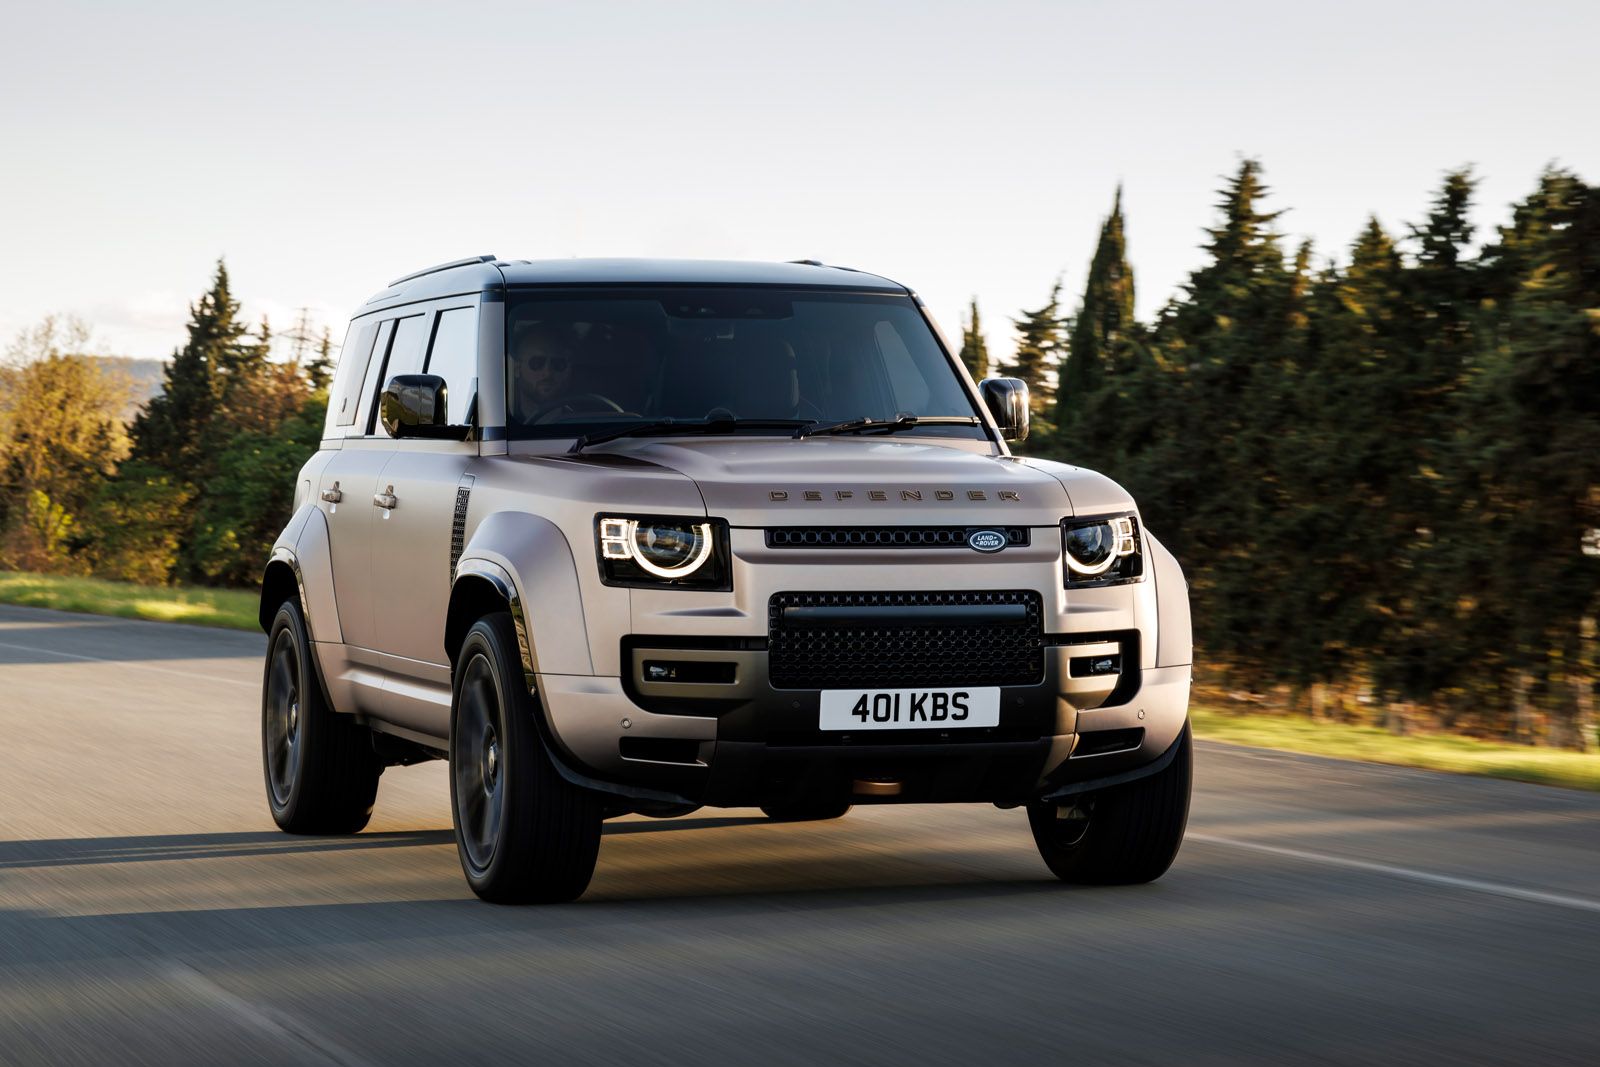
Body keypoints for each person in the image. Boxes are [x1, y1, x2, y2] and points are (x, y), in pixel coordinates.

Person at [511, 322, 577, 422]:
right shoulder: (499, 421)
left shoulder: (582, 423)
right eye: (537, 363)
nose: (548, 373)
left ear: (568, 370)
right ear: (517, 369)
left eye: (558, 364)